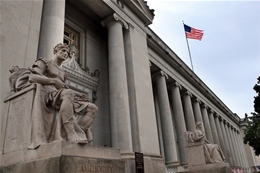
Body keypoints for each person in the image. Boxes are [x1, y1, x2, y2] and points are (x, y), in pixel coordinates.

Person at [26, 43, 98, 147]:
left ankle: (79, 133)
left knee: (92, 108)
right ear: (55, 51)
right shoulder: (44, 62)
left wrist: (79, 98)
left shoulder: (63, 73)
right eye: (63, 51)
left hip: (61, 95)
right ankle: (70, 134)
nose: (66, 54)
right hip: (48, 95)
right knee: (68, 93)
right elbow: (32, 77)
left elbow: (64, 89)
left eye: (67, 53)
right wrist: (53, 81)